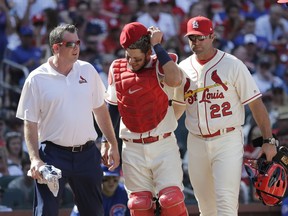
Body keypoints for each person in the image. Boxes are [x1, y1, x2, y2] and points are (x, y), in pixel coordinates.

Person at [15, 23, 120, 216]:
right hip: (52, 156)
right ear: (56, 47)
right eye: (71, 44)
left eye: (78, 42)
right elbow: (30, 122)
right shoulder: (36, 78)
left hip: (87, 154)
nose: (77, 47)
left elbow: (100, 109)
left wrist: (111, 142)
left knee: (95, 213)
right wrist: (35, 159)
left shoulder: (88, 70)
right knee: (45, 212)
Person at [178, 16, 277, 215]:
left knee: (225, 202)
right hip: (196, 141)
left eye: (201, 37)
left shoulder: (233, 64)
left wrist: (268, 140)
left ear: (212, 36)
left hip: (227, 138)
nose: (196, 43)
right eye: (192, 38)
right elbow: (177, 107)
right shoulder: (183, 68)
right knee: (205, 206)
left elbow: (256, 103)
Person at [103, 22, 188, 215]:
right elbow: (113, 108)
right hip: (132, 147)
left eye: (137, 58)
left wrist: (158, 45)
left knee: (171, 200)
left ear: (148, 52)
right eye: (128, 56)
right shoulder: (117, 68)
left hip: (163, 144)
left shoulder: (161, 63)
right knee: (139, 204)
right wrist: (107, 141)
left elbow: (175, 80)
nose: (132, 62)